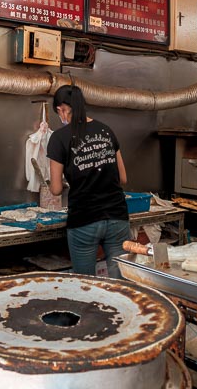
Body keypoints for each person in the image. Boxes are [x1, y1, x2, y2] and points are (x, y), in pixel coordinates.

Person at [46, 84, 130, 278]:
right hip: (117, 217)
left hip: (84, 220)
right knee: (122, 283)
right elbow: (123, 178)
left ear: (61, 109)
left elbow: (56, 189)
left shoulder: (59, 138)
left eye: (59, 111)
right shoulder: (106, 131)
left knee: (85, 284)